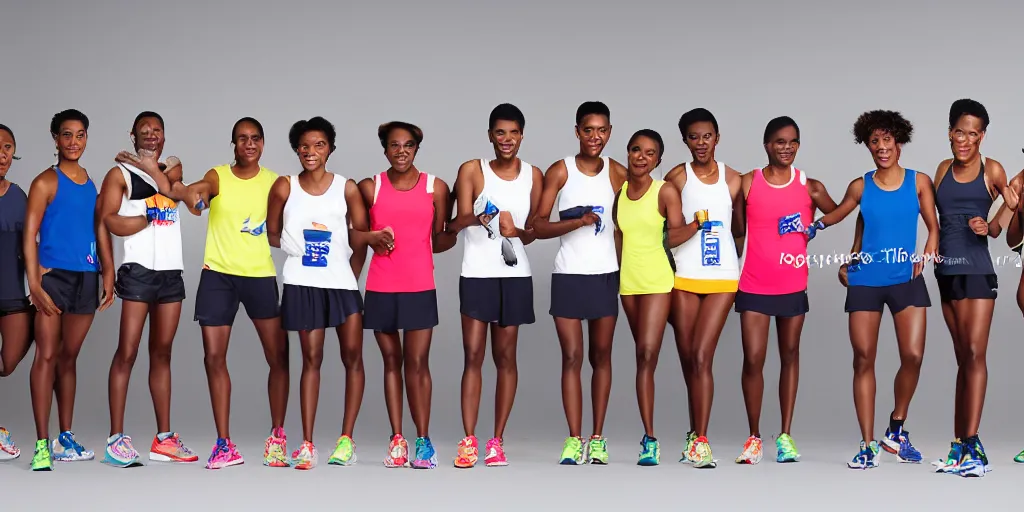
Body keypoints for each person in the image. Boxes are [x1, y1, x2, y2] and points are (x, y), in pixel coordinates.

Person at [807, 109, 939, 469]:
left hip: (905, 278)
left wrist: (930, 246)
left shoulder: (920, 181)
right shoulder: (860, 185)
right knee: (863, 359)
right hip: (865, 279)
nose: (881, 147)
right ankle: (867, 445)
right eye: (874, 142)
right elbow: (841, 214)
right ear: (867, 145)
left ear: (899, 142)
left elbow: (932, 224)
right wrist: (812, 226)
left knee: (912, 355)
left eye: (887, 140)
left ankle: (896, 428)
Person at [267, 117, 379, 469]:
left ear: (330, 147)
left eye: (318, 145)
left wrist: (350, 273)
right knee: (310, 359)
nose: (311, 152)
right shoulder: (285, 186)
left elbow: (361, 235)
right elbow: (271, 233)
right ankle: (307, 443)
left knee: (352, 357)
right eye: (304, 146)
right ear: (296, 149)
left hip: (341, 284)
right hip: (302, 283)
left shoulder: (346, 188)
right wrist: (292, 244)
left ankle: (346, 440)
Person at [184, 117, 290, 470]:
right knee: (213, 357)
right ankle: (223, 444)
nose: (249, 144)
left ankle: (277, 437)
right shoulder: (218, 175)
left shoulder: (276, 182)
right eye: (242, 138)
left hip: (259, 275)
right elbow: (198, 190)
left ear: (263, 143)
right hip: (219, 275)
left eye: (255, 138)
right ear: (233, 144)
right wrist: (194, 197)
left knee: (278, 357)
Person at [733, 116, 841, 464]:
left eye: (793, 142)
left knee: (790, 355)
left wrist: (816, 225)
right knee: (754, 359)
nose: (786, 148)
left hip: (792, 283)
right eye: (779, 141)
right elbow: (735, 227)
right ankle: (754, 437)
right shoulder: (749, 182)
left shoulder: (810, 186)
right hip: (752, 282)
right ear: (767, 144)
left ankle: (785, 436)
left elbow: (843, 210)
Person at [95, 111, 198, 468]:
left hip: (171, 272)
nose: (151, 136)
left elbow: (174, 185)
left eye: (157, 131)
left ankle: (164, 439)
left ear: (164, 137)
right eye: (144, 131)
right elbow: (108, 221)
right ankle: (115, 439)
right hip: (138, 271)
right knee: (127, 351)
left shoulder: (171, 171)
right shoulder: (118, 174)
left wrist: (154, 169)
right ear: (133, 134)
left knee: (163, 353)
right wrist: (146, 218)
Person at [532, 101, 627, 465]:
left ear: (610, 133)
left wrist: (623, 270)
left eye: (602, 130)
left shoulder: (618, 172)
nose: (595, 137)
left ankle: (597, 439)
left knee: (601, 357)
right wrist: (578, 222)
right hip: (569, 274)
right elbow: (538, 226)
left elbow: (625, 227)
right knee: (572, 357)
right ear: (577, 132)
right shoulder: (561, 170)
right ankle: (574, 439)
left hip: (605, 275)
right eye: (588, 130)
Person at [358, 121, 456, 470]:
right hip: (382, 285)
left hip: (419, 286)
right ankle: (397, 439)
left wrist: (464, 224)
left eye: (409, 145)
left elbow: (441, 241)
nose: (402, 151)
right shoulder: (370, 187)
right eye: (394, 145)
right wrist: (372, 238)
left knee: (417, 364)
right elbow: (352, 235)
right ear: (384, 148)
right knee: (390, 363)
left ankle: (423, 441)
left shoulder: (436, 188)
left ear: (417, 148)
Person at [927, 99, 1017, 477]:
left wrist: (992, 220)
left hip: (977, 270)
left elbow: (1000, 224)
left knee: (976, 352)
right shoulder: (943, 168)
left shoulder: (992, 168)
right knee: (963, 355)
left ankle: (974, 444)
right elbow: (933, 219)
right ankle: (958, 443)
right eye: (960, 131)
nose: (966, 139)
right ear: (950, 132)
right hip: (946, 270)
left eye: (974, 133)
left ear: (982, 136)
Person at [451, 103, 542, 468]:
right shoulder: (472, 170)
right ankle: (469, 438)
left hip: (515, 276)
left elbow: (532, 234)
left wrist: (516, 231)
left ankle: (496, 441)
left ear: (522, 135)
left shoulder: (533, 174)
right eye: (500, 132)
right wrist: (477, 216)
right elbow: (454, 225)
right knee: (472, 356)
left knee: (505, 358)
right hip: (477, 274)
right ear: (490, 135)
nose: (507, 139)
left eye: (514, 132)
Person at [24, 109, 115, 471]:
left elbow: (99, 229)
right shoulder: (45, 181)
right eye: (66, 135)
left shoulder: (92, 183)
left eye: (80, 135)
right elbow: (28, 235)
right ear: (55, 139)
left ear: (86, 138)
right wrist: (33, 282)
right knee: (46, 355)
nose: (73, 142)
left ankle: (65, 437)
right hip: (54, 279)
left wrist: (108, 271)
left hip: (86, 277)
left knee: (68, 357)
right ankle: (42, 444)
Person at [664, 108, 744, 468]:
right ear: (684, 140)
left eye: (707, 136)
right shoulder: (676, 178)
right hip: (683, 276)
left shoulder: (733, 179)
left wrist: (735, 264)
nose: (701, 143)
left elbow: (739, 229)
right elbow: (666, 230)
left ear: (717, 137)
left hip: (723, 278)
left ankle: (701, 440)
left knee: (701, 356)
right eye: (693, 137)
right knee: (688, 360)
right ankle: (693, 432)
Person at [614, 129, 682, 466]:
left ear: (658, 160)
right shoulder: (621, 192)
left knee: (647, 351)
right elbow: (618, 235)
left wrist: (703, 225)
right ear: (627, 153)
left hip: (657, 280)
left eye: (650, 153)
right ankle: (649, 436)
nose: (642, 157)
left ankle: (650, 439)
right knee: (642, 358)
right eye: (636, 150)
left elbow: (679, 232)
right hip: (629, 282)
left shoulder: (664, 191)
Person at [0, 124, 33, 462]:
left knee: (8, 364)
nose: (2, 154)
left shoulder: (19, 195)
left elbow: (31, 247)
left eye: (8, 147)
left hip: (13, 296)